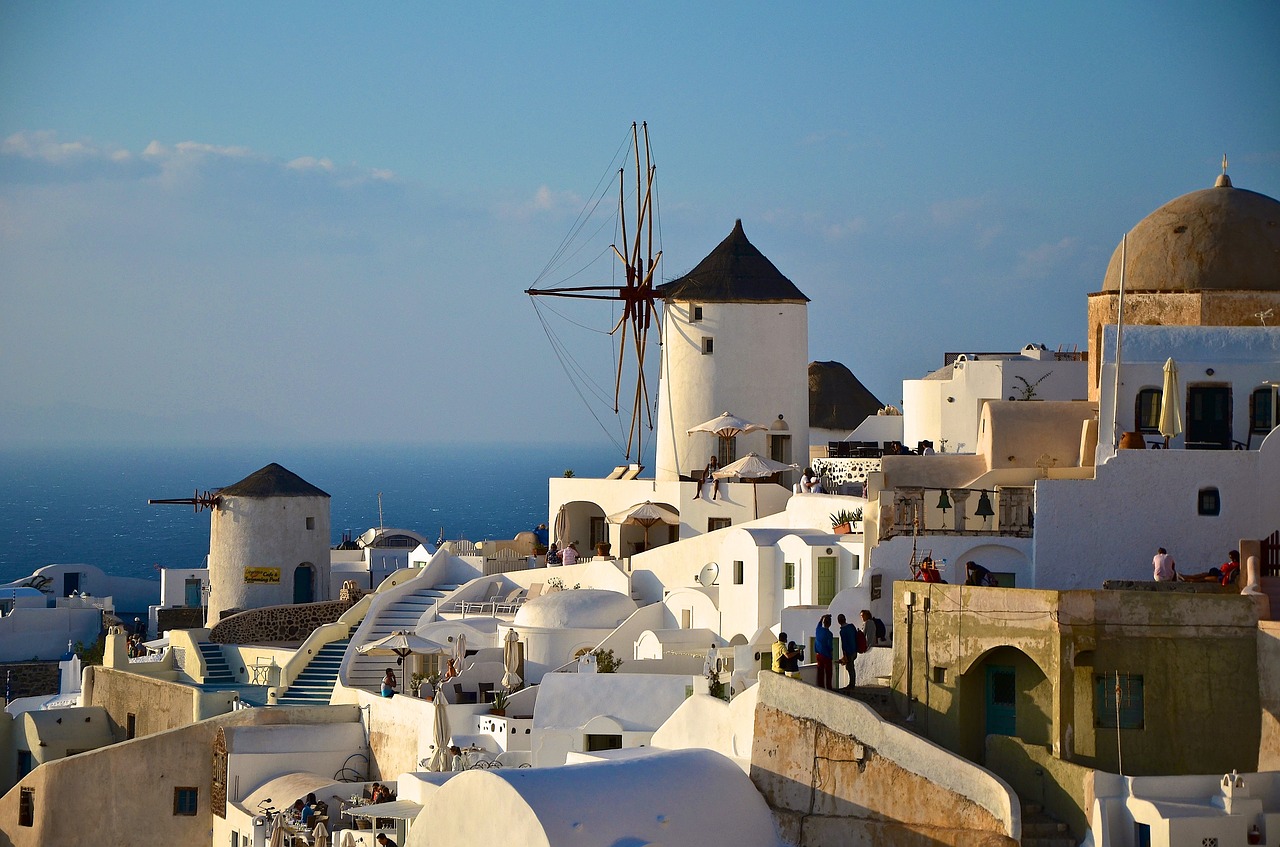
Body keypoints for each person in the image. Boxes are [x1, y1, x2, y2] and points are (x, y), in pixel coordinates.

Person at [837, 614, 859, 691]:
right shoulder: (851, 626)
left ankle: (851, 685)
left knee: (850, 668)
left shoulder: (842, 631)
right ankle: (852, 684)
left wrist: (844, 655)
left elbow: (844, 644)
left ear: (839, 622)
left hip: (849, 652)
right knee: (851, 667)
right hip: (854, 650)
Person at [814, 615, 834, 690]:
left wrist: (822, 617)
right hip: (827, 655)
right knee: (828, 673)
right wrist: (831, 653)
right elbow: (830, 646)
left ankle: (821, 687)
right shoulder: (829, 634)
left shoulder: (818, 629)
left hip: (819, 654)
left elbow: (819, 623)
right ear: (830, 624)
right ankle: (829, 688)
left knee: (820, 672)